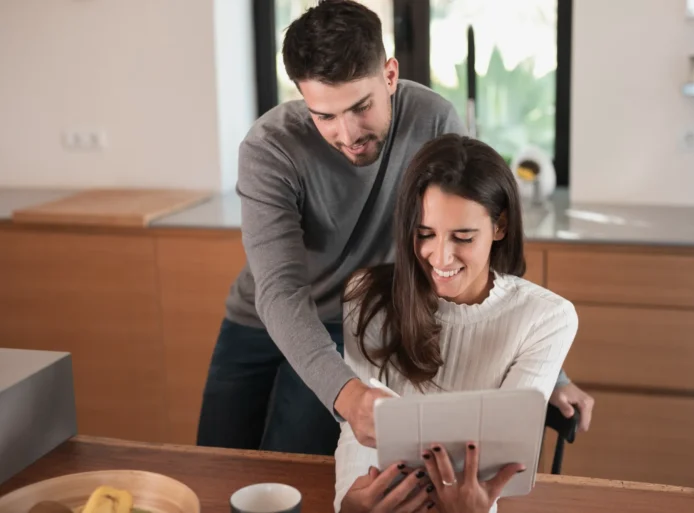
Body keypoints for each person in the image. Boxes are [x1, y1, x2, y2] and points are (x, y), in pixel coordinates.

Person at [196, 0, 593, 457]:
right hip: (262, 319)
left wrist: (550, 373)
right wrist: (348, 395)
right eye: (324, 116)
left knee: (293, 470)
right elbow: (280, 291)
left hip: (354, 322)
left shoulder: (432, 121)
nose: (347, 134)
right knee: (216, 464)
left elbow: (471, 242)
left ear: (389, 75)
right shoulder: (270, 148)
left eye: (360, 107)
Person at [335, 134, 578, 513]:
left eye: (463, 237)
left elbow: (497, 466)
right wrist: (347, 507)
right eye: (425, 234)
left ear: (500, 226)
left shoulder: (548, 318)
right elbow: (358, 435)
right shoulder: (365, 296)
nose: (441, 257)